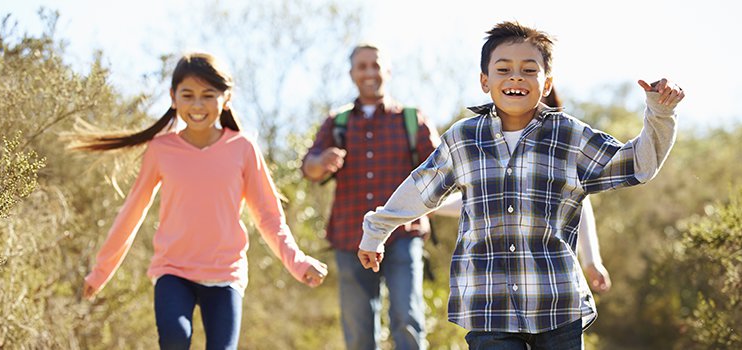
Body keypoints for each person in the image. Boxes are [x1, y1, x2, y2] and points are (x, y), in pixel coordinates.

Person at [358, 21, 683, 349]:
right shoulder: (463, 139)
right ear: (485, 81)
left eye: (529, 70)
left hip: (557, 304)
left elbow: (638, 165)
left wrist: (660, 113)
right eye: (504, 69)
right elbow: (421, 190)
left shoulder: (568, 136)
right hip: (488, 306)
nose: (516, 77)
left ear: (546, 84)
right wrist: (377, 229)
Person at [75, 52, 328, 350]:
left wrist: (298, 263)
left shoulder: (242, 148)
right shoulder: (161, 150)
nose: (197, 105)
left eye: (208, 95)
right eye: (188, 95)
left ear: (227, 97)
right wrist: (101, 270)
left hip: (225, 274)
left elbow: (269, 217)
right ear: (173, 97)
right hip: (173, 270)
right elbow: (133, 211)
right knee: (174, 339)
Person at [301, 44, 440, 350]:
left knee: (407, 318)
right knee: (359, 330)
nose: (369, 73)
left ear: (386, 71)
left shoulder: (412, 119)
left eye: (375, 65)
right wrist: (321, 161)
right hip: (350, 235)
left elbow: (441, 174)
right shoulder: (337, 123)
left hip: (403, 233)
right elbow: (308, 168)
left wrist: (426, 214)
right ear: (352, 74)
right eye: (361, 67)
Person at [542, 88, 611, 293]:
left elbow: (580, 203)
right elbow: (478, 199)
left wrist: (591, 260)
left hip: (552, 273)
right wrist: (440, 204)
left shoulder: (561, 144)